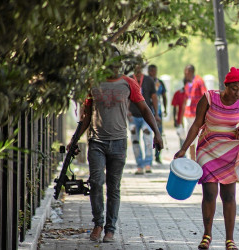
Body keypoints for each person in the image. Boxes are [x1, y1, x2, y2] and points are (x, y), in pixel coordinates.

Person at [67, 48, 163, 243]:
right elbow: (86, 116)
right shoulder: (93, 83)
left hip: (119, 142)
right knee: (95, 182)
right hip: (96, 142)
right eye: (109, 63)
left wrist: (157, 133)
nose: (114, 67)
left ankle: (110, 228)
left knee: (113, 187)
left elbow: (145, 109)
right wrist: (74, 140)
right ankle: (98, 223)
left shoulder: (129, 83)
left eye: (116, 63)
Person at [174, 67, 239, 250]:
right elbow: (196, 125)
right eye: (234, 88)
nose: (237, 93)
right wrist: (183, 150)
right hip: (208, 151)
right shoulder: (209, 98)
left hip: (230, 153)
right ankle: (207, 235)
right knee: (209, 193)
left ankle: (230, 240)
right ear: (226, 85)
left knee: (229, 195)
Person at [128, 59, 161, 174]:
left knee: (147, 139)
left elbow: (154, 97)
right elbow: (125, 97)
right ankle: (139, 165)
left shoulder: (148, 80)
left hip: (146, 116)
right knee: (135, 140)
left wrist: (156, 114)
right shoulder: (128, 80)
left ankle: (148, 164)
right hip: (132, 116)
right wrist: (126, 111)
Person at [180, 64, 207, 160]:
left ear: (190, 71)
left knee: (197, 137)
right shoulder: (187, 83)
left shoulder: (199, 81)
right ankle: (191, 159)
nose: (185, 74)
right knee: (189, 137)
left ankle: (196, 159)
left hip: (197, 114)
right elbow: (185, 99)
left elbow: (205, 95)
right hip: (187, 114)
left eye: (186, 72)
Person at [148, 64, 167, 164]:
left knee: (158, 132)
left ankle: (157, 155)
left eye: (154, 71)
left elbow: (164, 96)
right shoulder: (145, 82)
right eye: (151, 71)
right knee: (147, 134)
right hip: (147, 110)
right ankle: (148, 157)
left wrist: (165, 108)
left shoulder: (160, 83)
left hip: (158, 112)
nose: (153, 73)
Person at [171, 81, 186, 148]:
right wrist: (175, 120)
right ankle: (183, 156)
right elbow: (174, 107)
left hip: (192, 119)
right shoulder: (178, 93)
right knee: (182, 139)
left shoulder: (194, 93)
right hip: (181, 120)